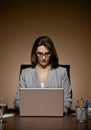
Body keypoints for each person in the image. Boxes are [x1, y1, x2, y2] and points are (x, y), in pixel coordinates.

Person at [14, 36, 72, 114]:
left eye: (47, 54)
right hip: (30, 119)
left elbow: (67, 101)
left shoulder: (62, 72)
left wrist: (54, 112)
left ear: (51, 53)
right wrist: (34, 111)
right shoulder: (25, 73)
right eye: (40, 54)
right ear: (35, 53)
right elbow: (17, 101)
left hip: (55, 120)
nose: (44, 58)